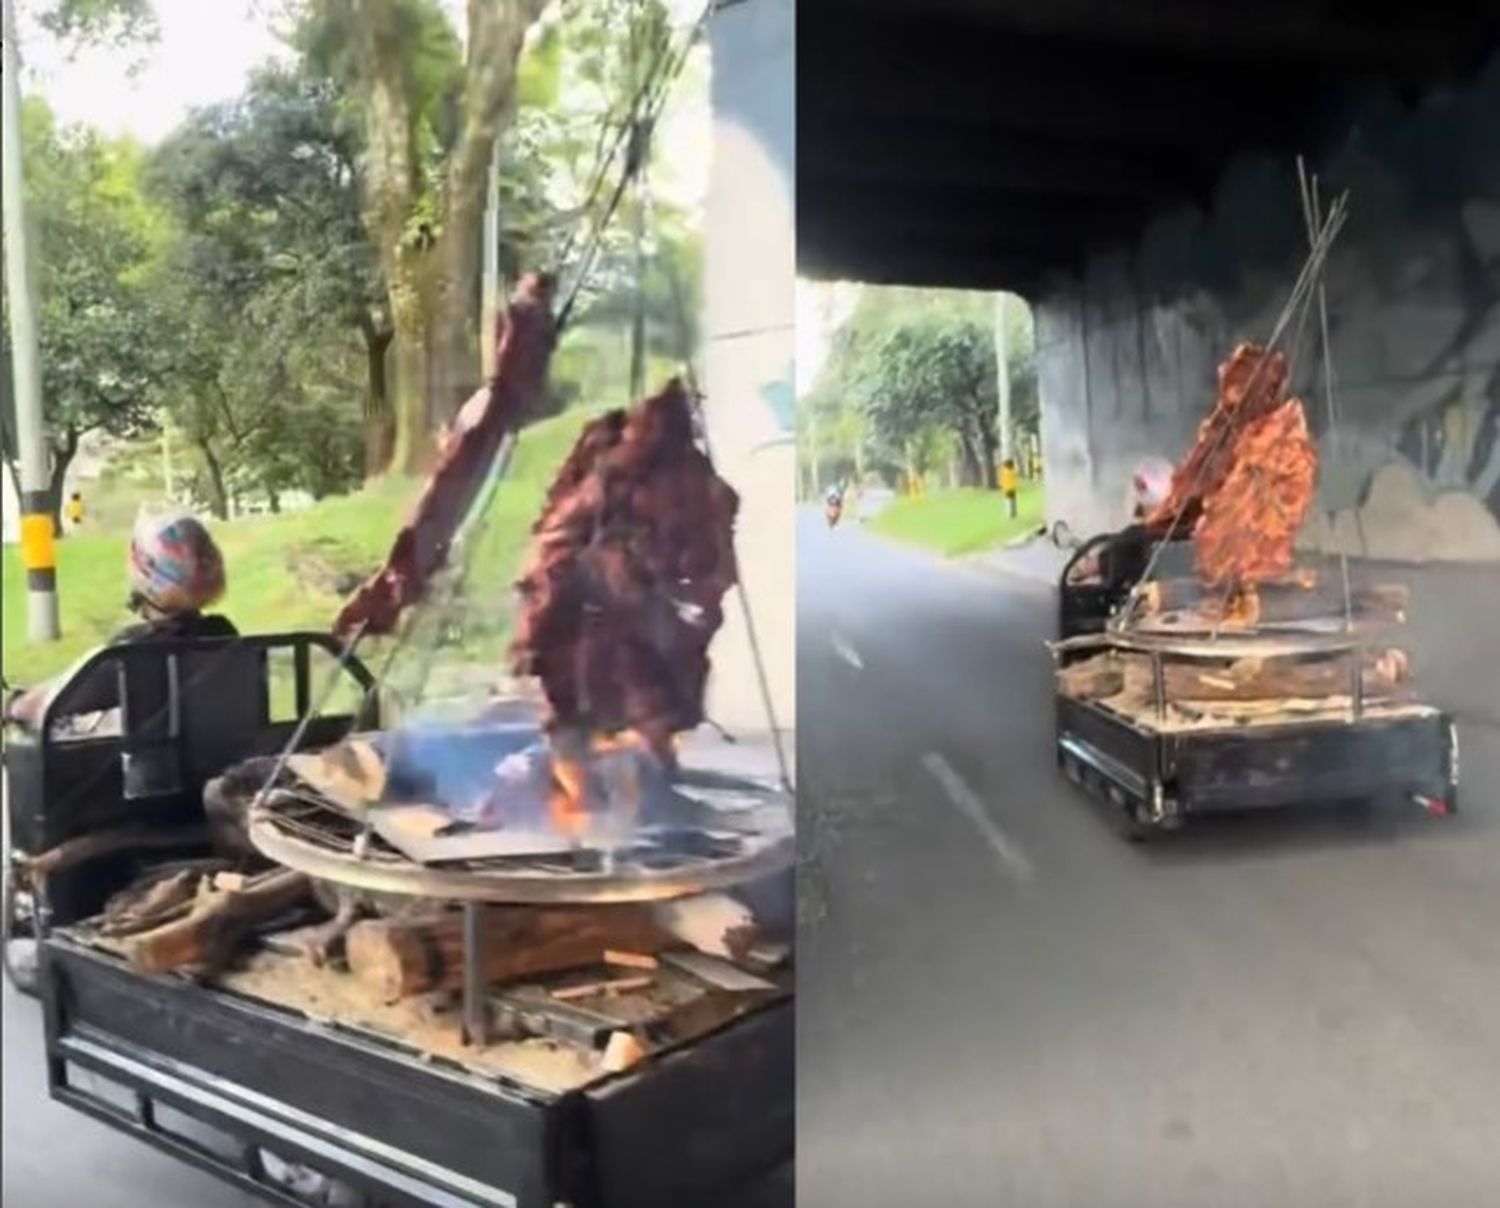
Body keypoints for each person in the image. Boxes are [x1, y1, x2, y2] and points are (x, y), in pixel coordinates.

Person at [3, 510, 236, 731]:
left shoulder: (133, 653)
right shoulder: (223, 635)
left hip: (149, 771)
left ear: (146, 575)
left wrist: (13, 705)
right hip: (218, 765)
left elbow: (55, 702)